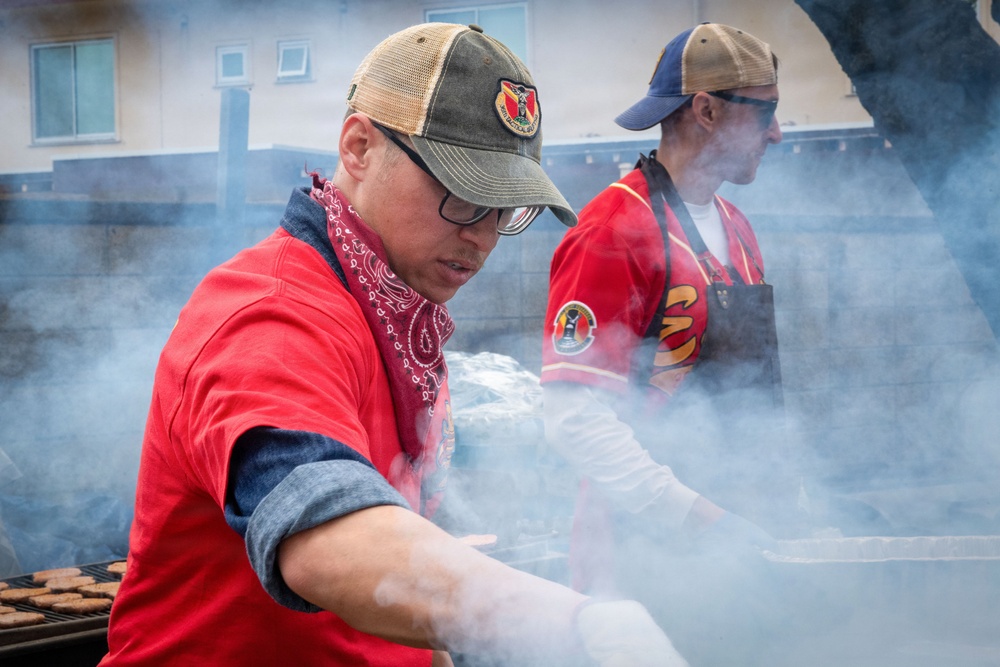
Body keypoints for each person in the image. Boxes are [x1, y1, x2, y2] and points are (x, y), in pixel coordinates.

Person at [100, 23, 689, 667]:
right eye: (464, 194)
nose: (484, 237)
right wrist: (573, 625)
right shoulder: (269, 312)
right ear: (359, 147)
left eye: (506, 208)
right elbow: (326, 535)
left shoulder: (396, 307)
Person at [541, 23, 802, 665]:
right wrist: (700, 518)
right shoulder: (611, 230)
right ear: (706, 111)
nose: (776, 132)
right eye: (764, 110)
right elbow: (573, 417)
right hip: (640, 555)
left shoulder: (737, 229)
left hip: (735, 539)